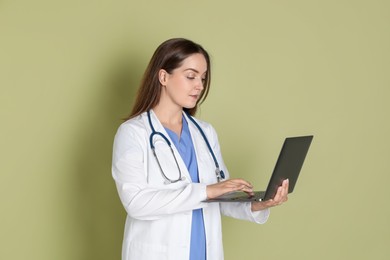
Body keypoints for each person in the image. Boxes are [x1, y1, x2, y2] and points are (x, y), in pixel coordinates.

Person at [111, 38, 289, 260]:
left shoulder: (204, 132)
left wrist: (261, 204)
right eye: (191, 76)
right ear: (163, 76)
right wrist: (207, 191)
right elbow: (137, 203)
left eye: (203, 78)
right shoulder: (133, 133)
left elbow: (222, 200)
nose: (200, 86)